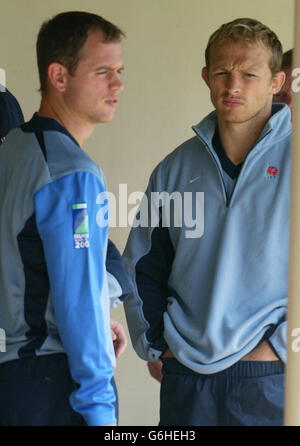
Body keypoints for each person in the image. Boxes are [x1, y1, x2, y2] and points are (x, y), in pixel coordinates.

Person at [123, 18, 289, 426]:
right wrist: (160, 346)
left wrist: (280, 348)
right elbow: (143, 267)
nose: (233, 86)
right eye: (221, 72)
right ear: (205, 76)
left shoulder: (297, 161)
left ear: (276, 81)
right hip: (187, 375)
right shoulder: (175, 168)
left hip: (272, 375)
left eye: (249, 74)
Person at [0, 11, 126, 426]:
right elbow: (78, 305)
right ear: (59, 76)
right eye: (103, 71)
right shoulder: (72, 174)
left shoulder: (13, 149)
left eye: (119, 71)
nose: (118, 85)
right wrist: (100, 410)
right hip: (51, 383)